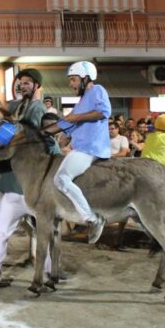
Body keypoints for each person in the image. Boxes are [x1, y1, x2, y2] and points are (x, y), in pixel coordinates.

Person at [0, 68, 55, 290]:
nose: (22, 85)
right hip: (15, 183)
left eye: (27, 82)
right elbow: (2, 131)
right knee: (1, 230)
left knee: (47, 230)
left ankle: (49, 272)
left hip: (37, 182)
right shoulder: (14, 107)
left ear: (37, 86)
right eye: (20, 82)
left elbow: (33, 137)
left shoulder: (39, 108)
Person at [44, 61, 109, 244]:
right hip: (81, 148)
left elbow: (105, 111)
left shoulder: (97, 90)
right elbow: (65, 123)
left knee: (61, 179)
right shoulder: (81, 101)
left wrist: (75, 118)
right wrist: (41, 133)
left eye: (73, 80)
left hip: (90, 148)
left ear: (85, 78)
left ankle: (92, 219)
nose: (71, 84)